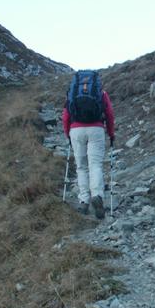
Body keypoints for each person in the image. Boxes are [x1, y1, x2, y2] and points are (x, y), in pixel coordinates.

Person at [62, 70, 115, 219]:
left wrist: (67, 134)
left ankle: (83, 201)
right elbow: (109, 114)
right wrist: (111, 133)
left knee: (81, 167)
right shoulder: (101, 93)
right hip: (96, 129)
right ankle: (97, 195)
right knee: (95, 165)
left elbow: (65, 116)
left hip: (76, 131)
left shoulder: (72, 93)